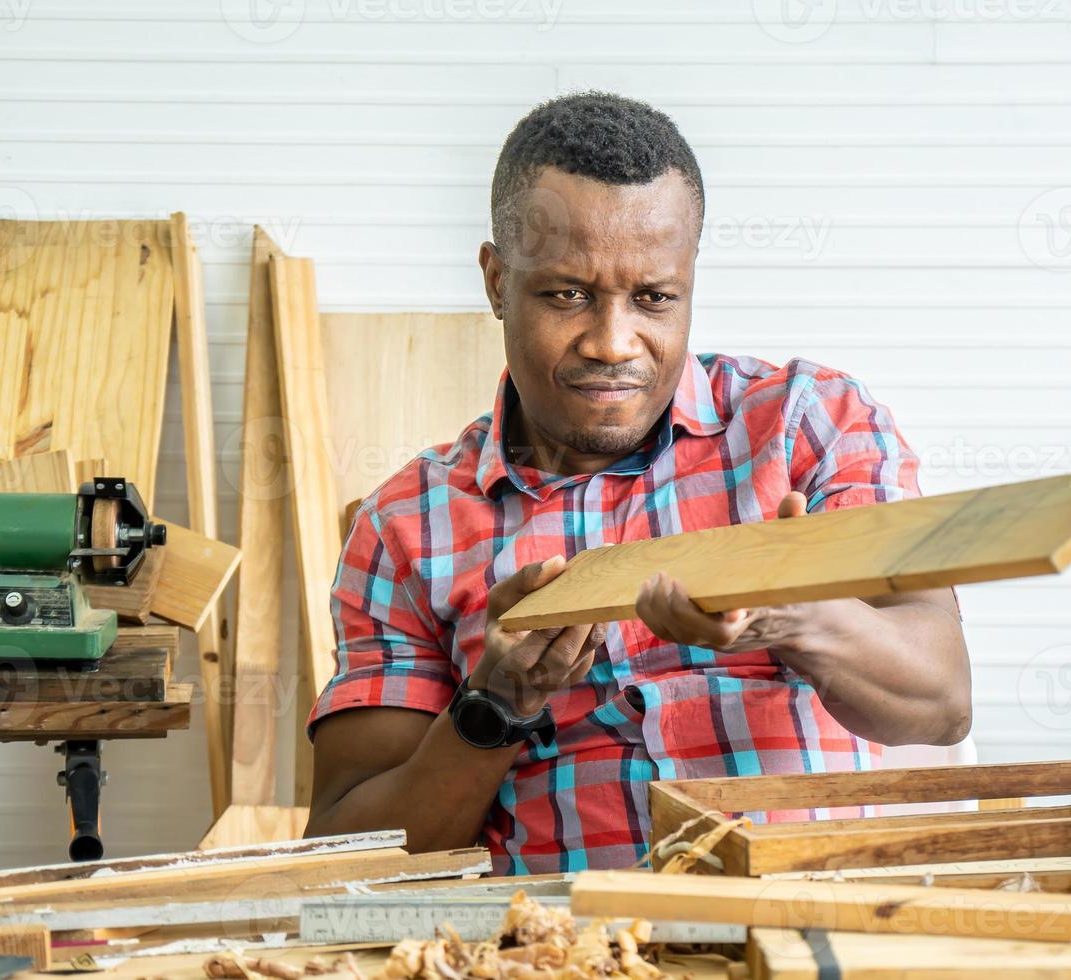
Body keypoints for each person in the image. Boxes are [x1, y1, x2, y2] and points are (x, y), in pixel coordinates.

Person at [304, 91, 971, 874]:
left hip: (822, 924)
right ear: (495, 281)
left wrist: (796, 616)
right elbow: (357, 853)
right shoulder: (405, 526)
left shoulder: (809, 427)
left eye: (654, 297)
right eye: (567, 295)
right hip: (570, 946)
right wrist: (498, 702)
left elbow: (943, 702)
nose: (613, 343)